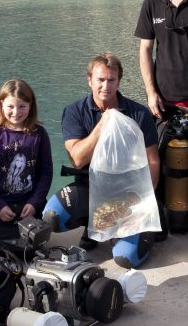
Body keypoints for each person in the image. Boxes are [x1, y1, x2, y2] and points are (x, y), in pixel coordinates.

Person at [42, 53, 160, 268]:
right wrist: (102, 126)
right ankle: (93, 223)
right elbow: (77, 159)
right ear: (90, 80)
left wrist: (143, 203)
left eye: (111, 80)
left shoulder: (139, 113)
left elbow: (153, 161)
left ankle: (140, 228)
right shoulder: (74, 112)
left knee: (125, 258)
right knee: (51, 216)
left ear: (119, 81)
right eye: (100, 79)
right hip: (90, 187)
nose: (105, 86)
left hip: (129, 195)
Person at [0, 79, 53, 243]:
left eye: (22, 106)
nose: (16, 112)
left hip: (28, 205)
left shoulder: (40, 134)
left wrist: (35, 203)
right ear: (1, 104)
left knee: (31, 247)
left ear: (31, 106)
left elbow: (46, 172)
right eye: (11, 106)